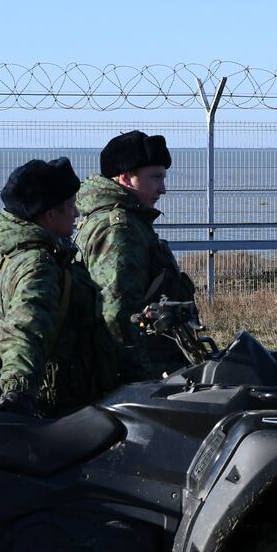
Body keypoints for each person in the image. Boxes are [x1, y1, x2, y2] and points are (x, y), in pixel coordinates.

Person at [0, 157, 118, 417]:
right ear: (49, 215)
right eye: (70, 207)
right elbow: (27, 327)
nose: (76, 214)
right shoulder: (39, 264)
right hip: (63, 406)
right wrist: (19, 392)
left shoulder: (19, 252)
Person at [76, 131, 196, 381]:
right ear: (125, 178)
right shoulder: (120, 231)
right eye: (155, 177)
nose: (162, 188)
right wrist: (140, 380)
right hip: (144, 375)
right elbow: (117, 314)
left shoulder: (129, 222)